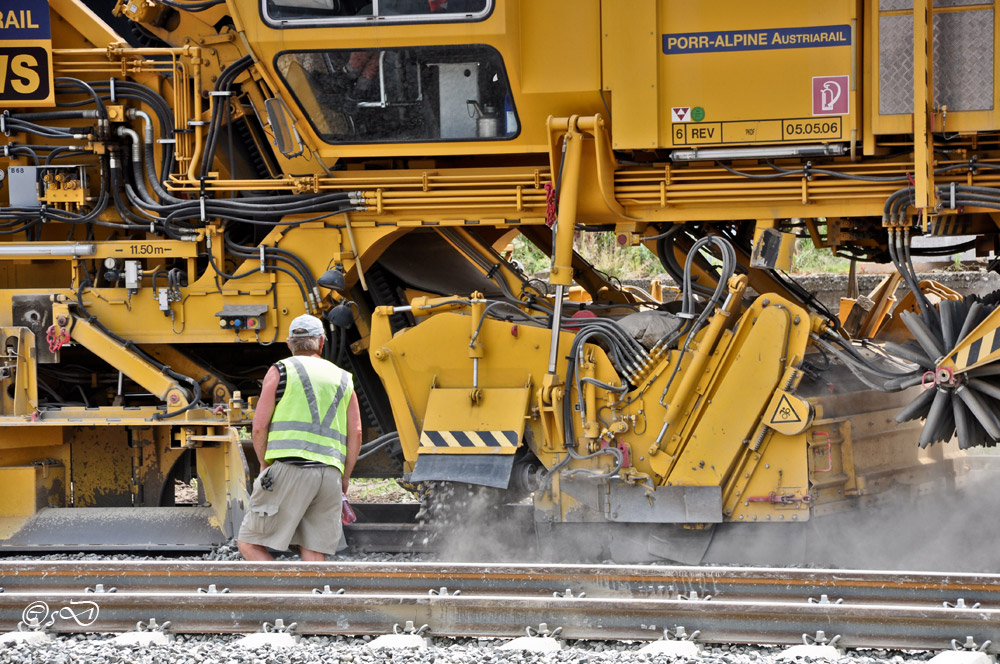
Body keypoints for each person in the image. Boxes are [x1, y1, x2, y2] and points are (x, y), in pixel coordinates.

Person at [237, 314, 362, 561]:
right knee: (313, 551)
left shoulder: (281, 370)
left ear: (290, 344)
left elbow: (260, 426)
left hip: (290, 469)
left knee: (249, 543)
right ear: (322, 342)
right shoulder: (343, 378)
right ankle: (314, 599)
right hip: (329, 476)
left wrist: (264, 464)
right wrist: (344, 475)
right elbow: (356, 432)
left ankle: (282, 596)